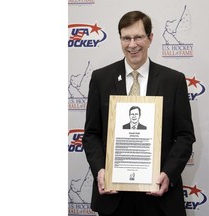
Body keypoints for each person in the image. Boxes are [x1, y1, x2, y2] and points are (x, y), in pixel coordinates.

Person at [82, 10, 195, 216]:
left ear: (150, 38)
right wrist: (100, 170)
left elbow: (185, 136)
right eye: (126, 38)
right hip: (113, 198)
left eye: (138, 37)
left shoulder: (174, 81)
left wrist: (168, 174)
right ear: (120, 40)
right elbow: (91, 134)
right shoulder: (101, 79)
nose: (132, 44)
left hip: (160, 198)